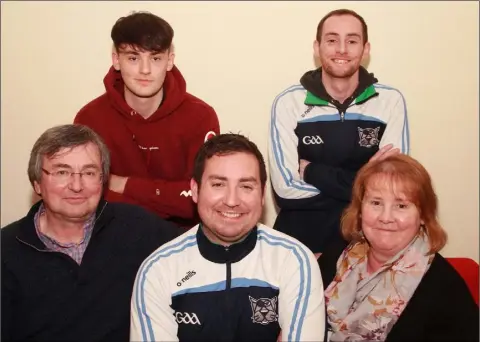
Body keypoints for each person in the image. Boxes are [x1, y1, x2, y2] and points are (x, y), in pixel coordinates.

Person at [130, 133, 325, 342]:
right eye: (218, 184)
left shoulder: (294, 261)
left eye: (246, 186)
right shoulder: (158, 270)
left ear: (261, 196)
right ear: (195, 190)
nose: (232, 200)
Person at [1, 124, 181, 342]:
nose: (77, 186)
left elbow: (200, 249)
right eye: (62, 172)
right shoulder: (6, 251)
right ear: (37, 182)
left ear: (102, 180)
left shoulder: (137, 227)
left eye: (89, 172)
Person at [268, 8, 409, 256]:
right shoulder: (289, 103)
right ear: (317, 47)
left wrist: (312, 171)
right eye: (332, 40)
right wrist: (365, 185)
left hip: (365, 243)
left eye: (352, 41)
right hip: (302, 242)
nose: (341, 49)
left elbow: (391, 188)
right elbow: (286, 191)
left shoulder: (389, 101)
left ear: (365, 49)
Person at [74, 11, 220, 229]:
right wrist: (167, 196)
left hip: (181, 241)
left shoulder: (200, 116)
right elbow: (84, 197)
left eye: (156, 58)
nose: (145, 70)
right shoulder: (89, 119)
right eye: (133, 58)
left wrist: (124, 185)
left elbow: (199, 199)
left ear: (169, 60)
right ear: (116, 59)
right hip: (111, 236)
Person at [318, 154, 479, 341]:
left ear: (423, 216)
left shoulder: (444, 287)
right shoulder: (336, 255)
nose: (386, 217)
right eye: (376, 203)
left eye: (401, 206)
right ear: (360, 210)